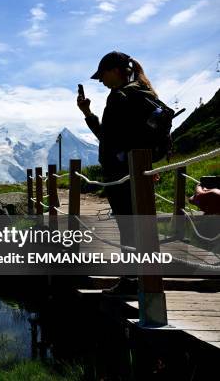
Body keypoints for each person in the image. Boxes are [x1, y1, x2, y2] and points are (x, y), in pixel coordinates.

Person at [77, 51, 160, 296]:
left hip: (121, 173)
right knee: (139, 224)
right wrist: (88, 113)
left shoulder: (120, 97)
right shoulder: (144, 91)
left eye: (102, 75)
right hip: (138, 169)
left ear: (114, 71)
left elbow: (108, 139)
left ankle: (131, 282)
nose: (100, 81)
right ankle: (141, 279)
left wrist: (89, 115)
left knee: (128, 226)